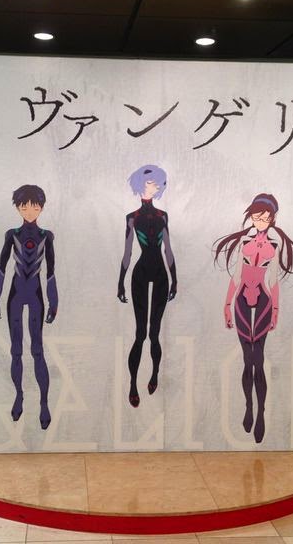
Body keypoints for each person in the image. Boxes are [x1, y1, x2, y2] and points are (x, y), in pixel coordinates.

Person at [213, 193, 293, 443]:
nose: (262, 221)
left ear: (273, 219)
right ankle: (249, 406)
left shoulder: (274, 247)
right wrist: (227, 304)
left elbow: (273, 281)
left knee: (259, 359)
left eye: (266, 218)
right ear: (251, 217)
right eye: (258, 217)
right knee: (248, 360)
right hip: (242, 301)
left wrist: (275, 309)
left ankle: (261, 413)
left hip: (264, 301)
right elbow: (236, 276)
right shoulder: (244, 242)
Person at [0, 185, 58, 429]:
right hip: (16, 293)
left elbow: (50, 272)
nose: (29, 211)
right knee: (16, 350)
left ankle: (44, 403)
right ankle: (19, 395)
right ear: (18, 207)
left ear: (41, 208)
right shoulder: (12, 235)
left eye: (35, 207)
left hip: (35, 293)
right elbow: (1, 268)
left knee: (37, 350)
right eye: (24, 206)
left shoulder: (46, 236)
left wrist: (54, 302)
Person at [118, 165, 177, 408]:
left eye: (158, 183)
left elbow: (168, 249)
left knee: (154, 333)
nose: (156, 186)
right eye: (152, 182)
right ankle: (133, 383)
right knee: (140, 333)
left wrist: (175, 278)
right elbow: (128, 251)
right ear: (141, 185)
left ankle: (154, 374)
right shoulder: (132, 217)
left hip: (161, 274)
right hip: (141, 274)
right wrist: (120, 281)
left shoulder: (163, 216)